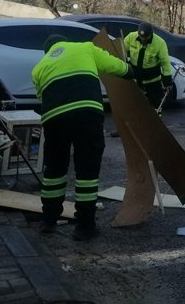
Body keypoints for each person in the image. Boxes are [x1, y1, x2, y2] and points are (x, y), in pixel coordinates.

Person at [32, 34, 134, 241]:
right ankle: (85, 227)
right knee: (87, 171)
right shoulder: (85, 47)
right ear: (65, 42)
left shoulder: (39, 67)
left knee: (54, 171)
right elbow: (115, 66)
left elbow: (42, 97)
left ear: (48, 52)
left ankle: (48, 221)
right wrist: (129, 71)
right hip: (87, 114)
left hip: (54, 118)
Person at [123, 22, 172, 111]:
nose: (143, 39)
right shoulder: (131, 37)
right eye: (141, 37)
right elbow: (122, 50)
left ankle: (155, 123)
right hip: (135, 79)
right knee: (135, 107)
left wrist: (167, 80)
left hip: (152, 81)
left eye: (146, 37)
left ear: (151, 34)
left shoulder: (160, 43)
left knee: (155, 107)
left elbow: (165, 63)